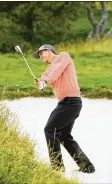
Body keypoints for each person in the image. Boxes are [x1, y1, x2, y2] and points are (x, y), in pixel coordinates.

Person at [33, 44, 95, 173]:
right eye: (39, 56)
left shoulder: (63, 57)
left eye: (41, 53)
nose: (40, 57)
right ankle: (87, 166)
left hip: (72, 102)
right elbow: (46, 77)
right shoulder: (47, 71)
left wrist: (45, 81)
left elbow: (57, 70)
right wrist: (41, 83)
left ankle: (57, 167)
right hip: (64, 104)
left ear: (48, 51)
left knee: (50, 129)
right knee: (63, 135)